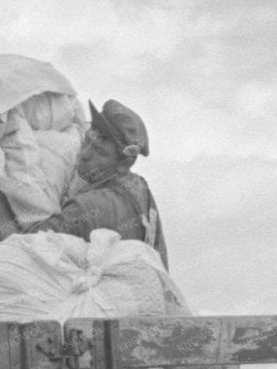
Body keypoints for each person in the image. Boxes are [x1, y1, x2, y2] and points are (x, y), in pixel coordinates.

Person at [20, 100, 168, 264]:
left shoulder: (88, 207)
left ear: (124, 164)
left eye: (99, 151)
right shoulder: (140, 187)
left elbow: (19, 248)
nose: (84, 154)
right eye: (87, 141)